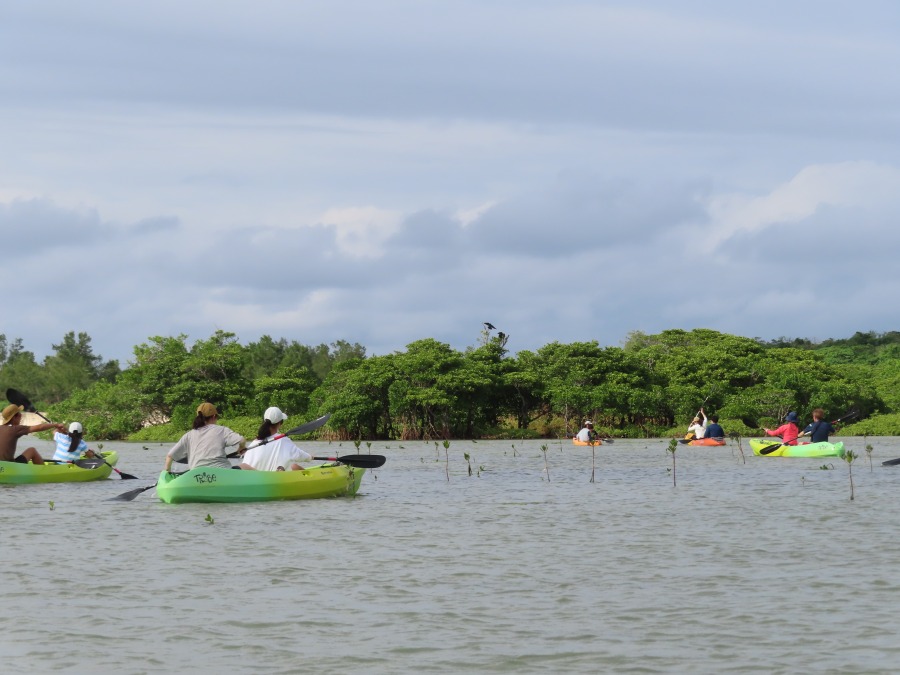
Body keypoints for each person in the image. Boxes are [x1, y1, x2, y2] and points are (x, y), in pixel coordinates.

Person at [163, 402, 246, 471]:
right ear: (214, 416)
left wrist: (168, 472)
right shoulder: (222, 430)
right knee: (246, 466)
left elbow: (170, 456)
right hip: (222, 472)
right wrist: (241, 448)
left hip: (196, 475)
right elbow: (241, 440)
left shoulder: (188, 435)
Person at [240, 407, 313, 471]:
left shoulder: (253, 443)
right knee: (294, 467)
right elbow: (300, 455)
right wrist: (310, 457)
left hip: (255, 479)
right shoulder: (283, 440)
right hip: (271, 481)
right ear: (280, 423)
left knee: (291, 467)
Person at [0, 404, 66, 464]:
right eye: (20, 414)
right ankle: (43, 472)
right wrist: (55, 425)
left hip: (3, 466)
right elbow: (40, 427)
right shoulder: (15, 429)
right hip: (9, 466)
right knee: (32, 450)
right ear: (14, 417)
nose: (21, 416)